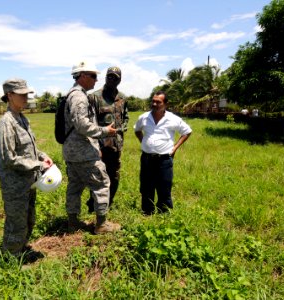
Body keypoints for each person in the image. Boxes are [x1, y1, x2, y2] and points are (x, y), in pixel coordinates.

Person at [0, 78, 53, 261]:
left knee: (29, 219)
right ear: (9, 96)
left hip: (27, 181)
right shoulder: (6, 123)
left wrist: (42, 156)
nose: (26, 97)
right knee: (16, 222)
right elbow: (9, 158)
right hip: (14, 184)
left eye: (27, 94)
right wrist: (38, 165)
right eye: (22, 94)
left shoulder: (21, 118)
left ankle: (20, 249)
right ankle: (11, 259)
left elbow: (29, 149)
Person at [63, 61, 121, 234]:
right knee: (102, 184)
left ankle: (72, 222)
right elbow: (82, 125)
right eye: (93, 76)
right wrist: (105, 131)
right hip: (83, 153)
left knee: (75, 186)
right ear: (82, 76)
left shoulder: (73, 94)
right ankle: (101, 224)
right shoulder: (79, 96)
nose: (97, 80)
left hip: (73, 152)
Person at [134, 91, 192, 215]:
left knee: (164, 187)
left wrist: (175, 147)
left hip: (164, 159)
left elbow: (187, 131)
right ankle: (147, 212)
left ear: (166, 104)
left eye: (158, 102)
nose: (154, 104)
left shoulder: (173, 119)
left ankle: (164, 213)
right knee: (146, 186)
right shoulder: (144, 117)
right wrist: (143, 141)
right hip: (147, 158)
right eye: (153, 101)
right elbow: (137, 130)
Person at [86, 66, 129, 212]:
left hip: (116, 147)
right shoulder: (94, 97)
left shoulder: (122, 98)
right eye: (109, 76)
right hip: (99, 148)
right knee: (98, 178)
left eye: (115, 77)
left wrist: (122, 129)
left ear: (119, 80)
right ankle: (93, 206)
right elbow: (89, 124)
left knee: (114, 176)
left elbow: (125, 118)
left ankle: (108, 204)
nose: (111, 79)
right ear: (105, 77)